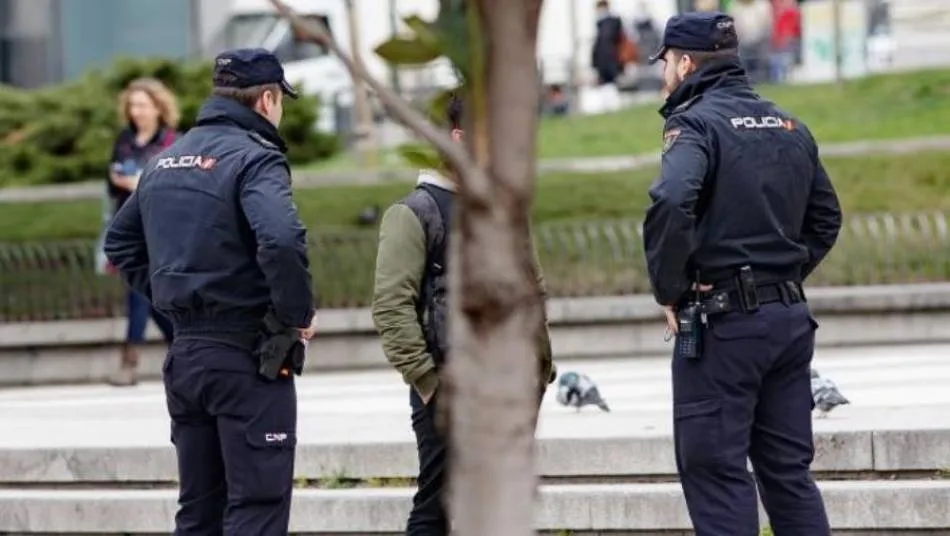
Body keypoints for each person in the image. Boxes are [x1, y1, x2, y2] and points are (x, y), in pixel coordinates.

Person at [643, 12, 841, 536]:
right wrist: (783, 275)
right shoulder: (789, 125)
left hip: (723, 327)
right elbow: (826, 218)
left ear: (685, 63)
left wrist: (672, 287)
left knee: (716, 474)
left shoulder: (695, 123)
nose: (663, 74)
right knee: (788, 476)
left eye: (665, 63)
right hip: (789, 322)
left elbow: (670, 199)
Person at [104, 48, 317, 535]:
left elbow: (120, 241)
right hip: (247, 352)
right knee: (256, 506)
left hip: (187, 357)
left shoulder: (163, 161)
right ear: (267, 99)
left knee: (198, 512)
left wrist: (175, 297)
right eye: (280, 99)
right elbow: (281, 239)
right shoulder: (255, 158)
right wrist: (294, 315)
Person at [371, 94, 556, 535]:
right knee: (438, 503)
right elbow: (391, 306)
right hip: (450, 384)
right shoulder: (413, 213)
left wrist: (540, 369)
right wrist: (429, 384)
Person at [105, 77, 178, 386]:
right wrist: (120, 180)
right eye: (133, 105)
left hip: (161, 229)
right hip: (130, 226)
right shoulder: (124, 140)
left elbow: (176, 182)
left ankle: (130, 360)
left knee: (143, 292)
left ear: (158, 107)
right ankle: (181, 348)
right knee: (144, 293)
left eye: (143, 105)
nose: (137, 111)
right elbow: (112, 181)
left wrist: (141, 183)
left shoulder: (171, 141)